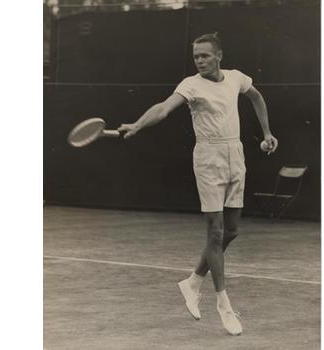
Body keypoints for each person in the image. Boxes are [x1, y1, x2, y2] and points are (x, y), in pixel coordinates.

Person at [118, 32, 278, 336]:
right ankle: (223, 304)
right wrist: (138, 125)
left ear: (219, 55)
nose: (200, 61)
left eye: (205, 55)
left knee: (231, 231)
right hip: (208, 158)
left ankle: (192, 282)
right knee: (215, 234)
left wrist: (267, 132)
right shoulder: (190, 85)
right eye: (196, 57)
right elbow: (164, 108)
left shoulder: (235, 78)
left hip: (236, 154)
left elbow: (255, 96)